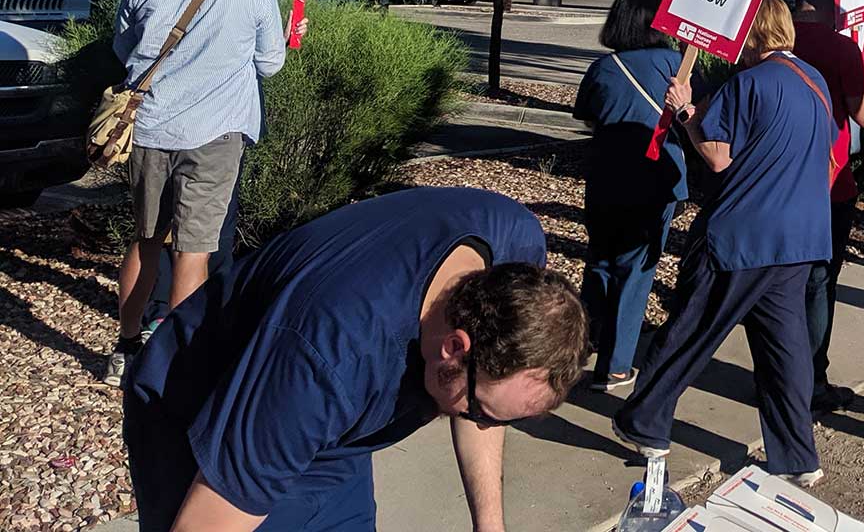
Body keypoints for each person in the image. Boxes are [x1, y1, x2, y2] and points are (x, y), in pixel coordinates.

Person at [122, 186, 586, 531]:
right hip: (203, 410)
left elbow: (487, 394)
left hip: (329, 434)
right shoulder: (328, 357)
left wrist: (490, 527)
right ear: (455, 346)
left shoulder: (514, 253)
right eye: (480, 414)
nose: (481, 423)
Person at [615, 0, 836, 485]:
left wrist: (683, 112)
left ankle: (647, 419)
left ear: (751, 33)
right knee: (785, 350)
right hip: (801, 237)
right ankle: (798, 455)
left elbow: (717, 156)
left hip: (742, 234)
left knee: (691, 330)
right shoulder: (814, 81)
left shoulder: (749, 83)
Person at [107, 0, 300, 388]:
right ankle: (176, 365)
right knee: (193, 252)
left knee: (146, 240)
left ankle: (125, 350)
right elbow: (270, 65)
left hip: (150, 126)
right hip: (217, 133)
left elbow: (124, 47)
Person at [572, 0, 688, 392]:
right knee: (637, 270)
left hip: (605, 176)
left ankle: (579, 347)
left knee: (599, 262)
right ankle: (617, 364)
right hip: (655, 180)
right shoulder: (677, 67)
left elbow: (586, 116)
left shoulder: (603, 68)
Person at [790, 0, 864, 414]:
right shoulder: (843, 49)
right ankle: (811, 381)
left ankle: (778, 375)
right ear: (828, 7)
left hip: (774, 186)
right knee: (819, 283)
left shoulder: (768, 42)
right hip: (828, 183)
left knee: (778, 287)